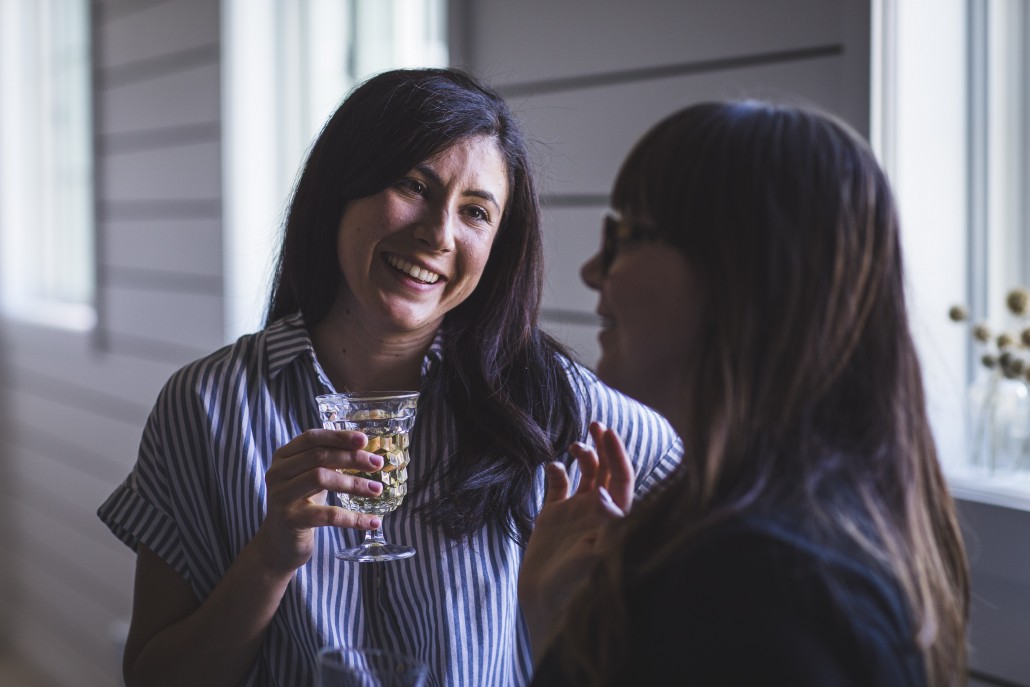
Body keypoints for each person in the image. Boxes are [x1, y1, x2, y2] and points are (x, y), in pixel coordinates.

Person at [97, 68, 682, 687]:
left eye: (476, 212)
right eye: (413, 184)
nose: (437, 233)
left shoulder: (556, 406)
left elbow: (710, 497)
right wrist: (268, 560)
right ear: (341, 187)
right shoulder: (209, 406)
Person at [518, 101, 970, 686]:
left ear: (739, 276)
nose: (590, 271)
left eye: (622, 235)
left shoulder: (750, 588)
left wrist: (558, 638)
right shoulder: (814, 535)